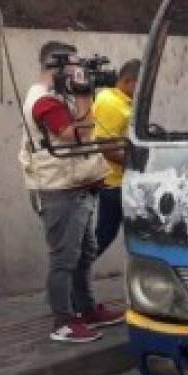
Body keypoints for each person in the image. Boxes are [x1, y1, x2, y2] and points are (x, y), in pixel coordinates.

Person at [19, 42, 122, 344]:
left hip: (77, 186)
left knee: (85, 253)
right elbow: (77, 135)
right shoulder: (43, 102)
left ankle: (86, 309)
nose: (80, 74)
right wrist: (83, 94)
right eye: (75, 68)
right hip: (58, 191)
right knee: (64, 258)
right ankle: (63, 321)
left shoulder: (53, 97)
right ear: (58, 67)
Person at [92, 59, 139, 258]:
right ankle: (74, 276)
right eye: (139, 84)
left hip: (122, 180)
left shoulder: (121, 101)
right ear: (128, 80)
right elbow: (105, 147)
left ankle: (76, 278)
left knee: (108, 233)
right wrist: (138, 163)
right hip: (114, 182)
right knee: (105, 234)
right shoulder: (111, 103)